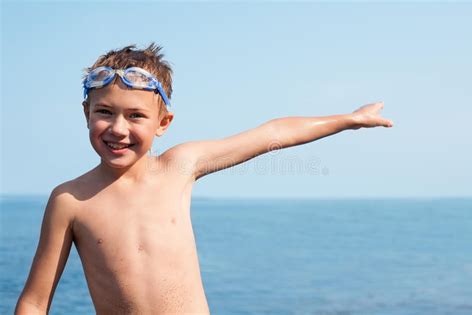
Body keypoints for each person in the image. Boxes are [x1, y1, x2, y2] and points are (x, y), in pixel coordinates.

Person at [15, 43, 394, 315]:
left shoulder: (179, 167)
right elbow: (35, 300)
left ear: (163, 123)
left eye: (135, 116)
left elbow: (272, 133)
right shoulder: (70, 200)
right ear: (86, 113)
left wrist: (348, 120)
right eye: (105, 112)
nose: (118, 128)